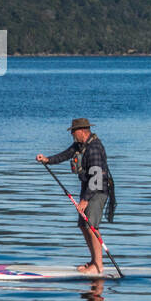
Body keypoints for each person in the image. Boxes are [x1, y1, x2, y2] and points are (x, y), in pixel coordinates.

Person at [37, 117, 115, 275]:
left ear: (82, 131)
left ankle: (98, 265)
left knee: (92, 226)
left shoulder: (94, 148)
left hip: (98, 190)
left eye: (73, 131)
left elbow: (97, 178)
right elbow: (65, 155)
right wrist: (47, 160)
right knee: (82, 224)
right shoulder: (80, 145)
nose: (72, 134)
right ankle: (93, 261)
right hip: (88, 188)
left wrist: (85, 200)